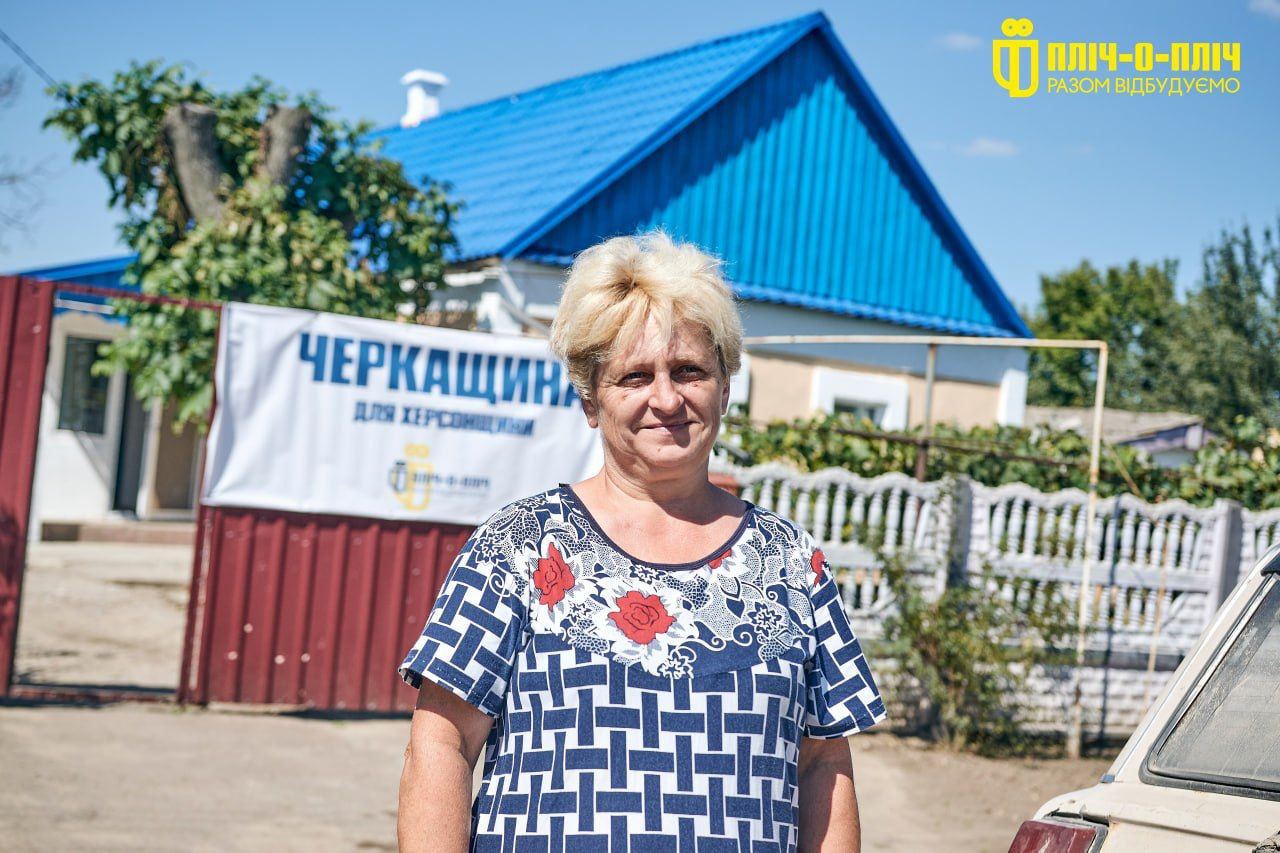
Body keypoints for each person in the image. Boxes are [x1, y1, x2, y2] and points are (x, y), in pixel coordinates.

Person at [396, 231, 885, 852]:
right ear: (590, 399)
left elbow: (823, 763)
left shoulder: (791, 561)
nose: (666, 398)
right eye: (634, 375)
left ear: (725, 387)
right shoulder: (518, 546)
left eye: (689, 371)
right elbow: (442, 743)